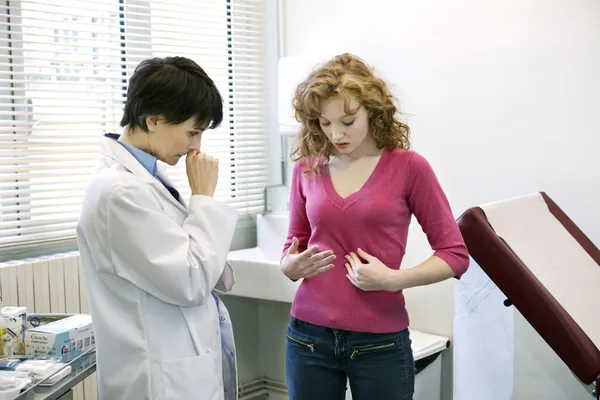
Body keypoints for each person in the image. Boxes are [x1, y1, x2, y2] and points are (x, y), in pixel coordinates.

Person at [280, 53, 470, 400]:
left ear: (372, 110)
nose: (336, 133)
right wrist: (289, 266)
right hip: (308, 337)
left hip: (379, 341)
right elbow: (293, 245)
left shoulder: (410, 168)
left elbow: (455, 255)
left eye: (348, 121)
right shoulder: (307, 168)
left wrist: (393, 279)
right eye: (324, 123)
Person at [76, 56, 239, 400]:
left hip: (175, 363)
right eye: (192, 132)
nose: (196, 147)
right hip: (155, 377)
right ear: (153, 120)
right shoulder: (120, 193)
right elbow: (191, 280)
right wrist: (203, 198)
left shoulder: (144, 178)